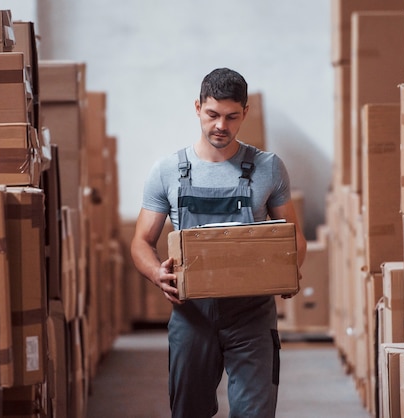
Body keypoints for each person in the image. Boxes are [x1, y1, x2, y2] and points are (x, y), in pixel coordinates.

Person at [130, 67, 307, 418]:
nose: (221, 126)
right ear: (197, 107)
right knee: (188, 411)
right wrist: (156, 275)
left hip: (252, 314)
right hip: (191, 314)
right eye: (212, 115)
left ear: (245, 113)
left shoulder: (268, 167)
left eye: (231, 117)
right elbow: (141, 241)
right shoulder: (167, 171)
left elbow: (294, 236)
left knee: (254, 413)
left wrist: (289, 271)